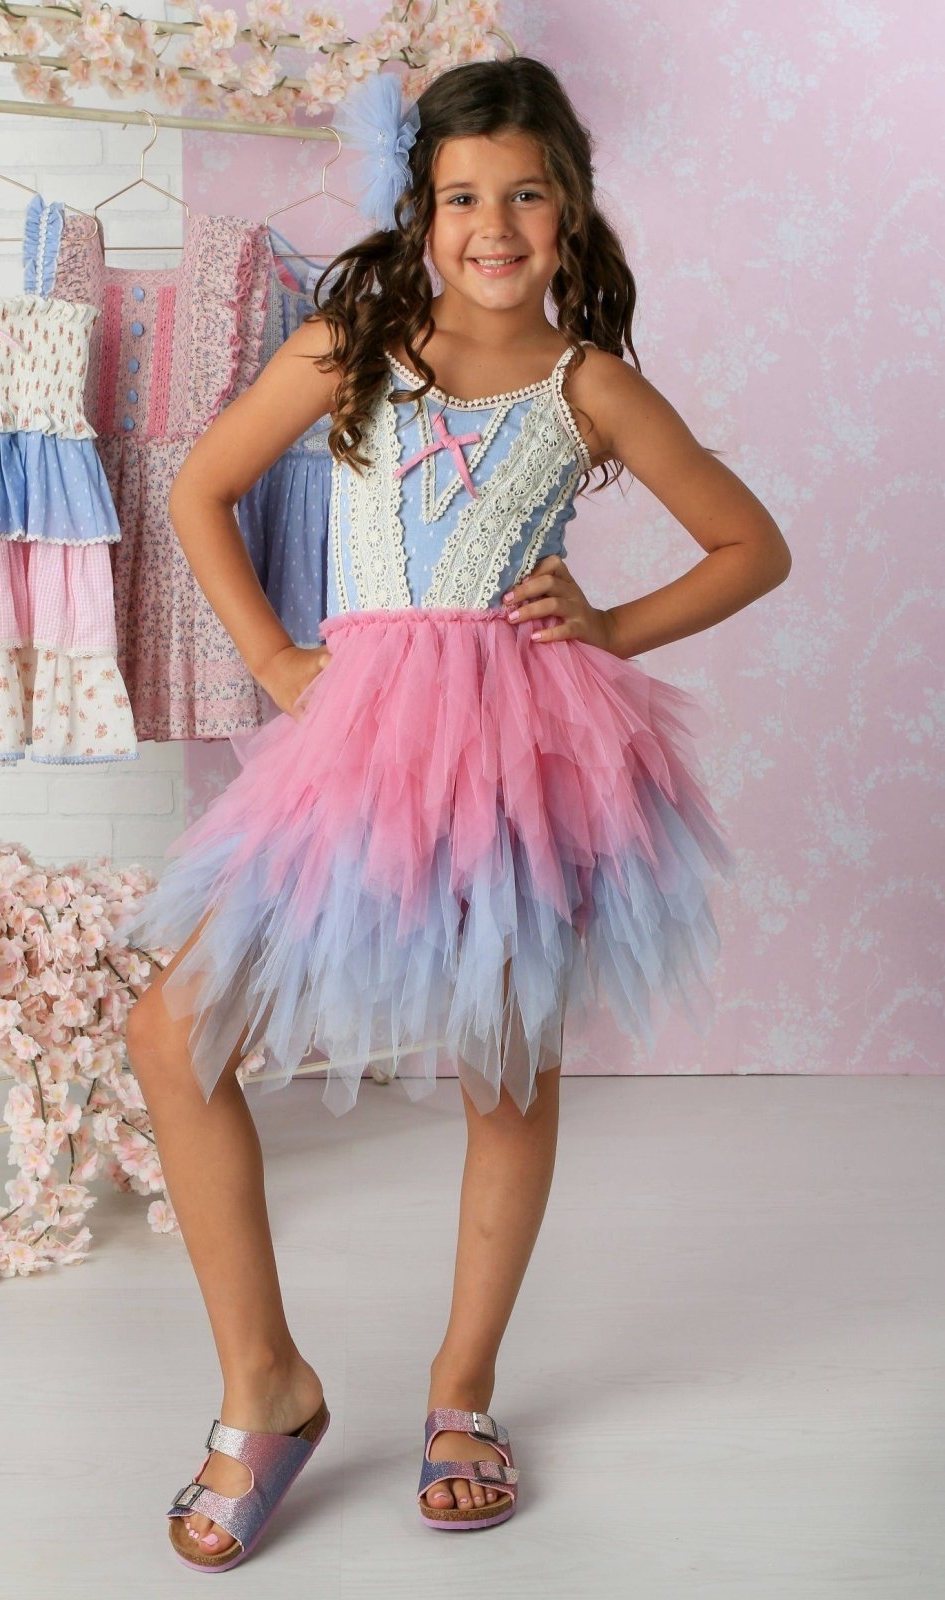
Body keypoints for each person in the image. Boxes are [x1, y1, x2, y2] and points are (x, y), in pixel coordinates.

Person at [124, 55, 791, 1571]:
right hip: (359, 746)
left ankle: (462, 1391)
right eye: (463, 197)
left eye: (527, 195)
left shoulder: (588, 386)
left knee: (504, 1062)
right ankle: (266, 1385)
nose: (495, 226)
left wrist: (613, 627)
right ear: (421, 213)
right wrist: (277, 660)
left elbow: (751, 545)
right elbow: (199, 491)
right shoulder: (352, 348)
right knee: (174, 1029)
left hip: (515, 756)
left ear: (573, 210)